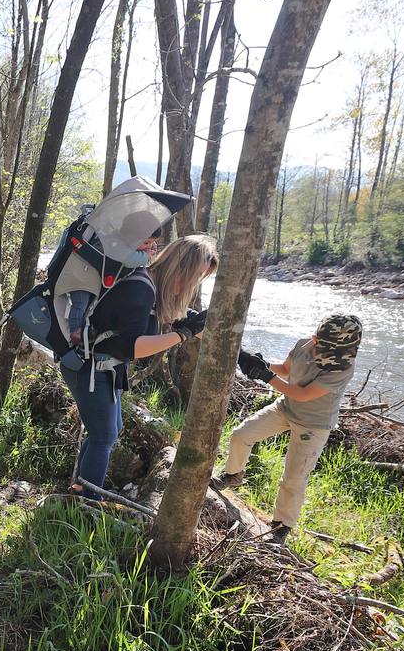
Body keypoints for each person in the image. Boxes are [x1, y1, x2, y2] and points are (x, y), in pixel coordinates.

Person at [63, 233, 219, 497]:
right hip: (91, 368)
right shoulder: (141, 288)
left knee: (109, 432)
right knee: (104, 437)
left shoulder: (149, 284)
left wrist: (206, 332)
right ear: (180, 267)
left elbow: (164, 316)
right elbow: (130, 347)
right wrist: (182, 335)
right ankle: (86, 502)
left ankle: (80, 487)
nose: (194, 285)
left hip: (101, 368)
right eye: (196, 275)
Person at [218, 313, 364, 544]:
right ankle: (233, 474)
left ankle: (280, 527)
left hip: (314, 424)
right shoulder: (303, 345)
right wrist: (258, 363)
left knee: (294, 477)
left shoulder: (343, 366)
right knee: (241, 435)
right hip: (285, 408)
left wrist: (265, 376)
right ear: (316, 339)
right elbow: (285, 370)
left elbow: (302, 394)